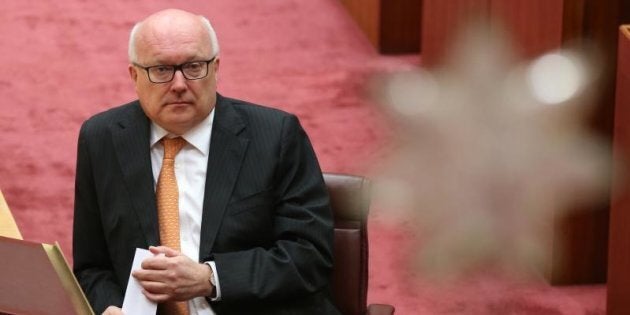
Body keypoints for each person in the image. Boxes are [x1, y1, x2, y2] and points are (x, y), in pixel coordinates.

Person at [72, 8, 339, 315]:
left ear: (216, 68)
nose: (179, 84)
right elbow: (92, 265)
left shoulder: (275, 136)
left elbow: (309, 255)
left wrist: (210, 278)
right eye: (161, 70)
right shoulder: (101, 139)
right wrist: (110, 307)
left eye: (194, 66)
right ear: (134, 76)